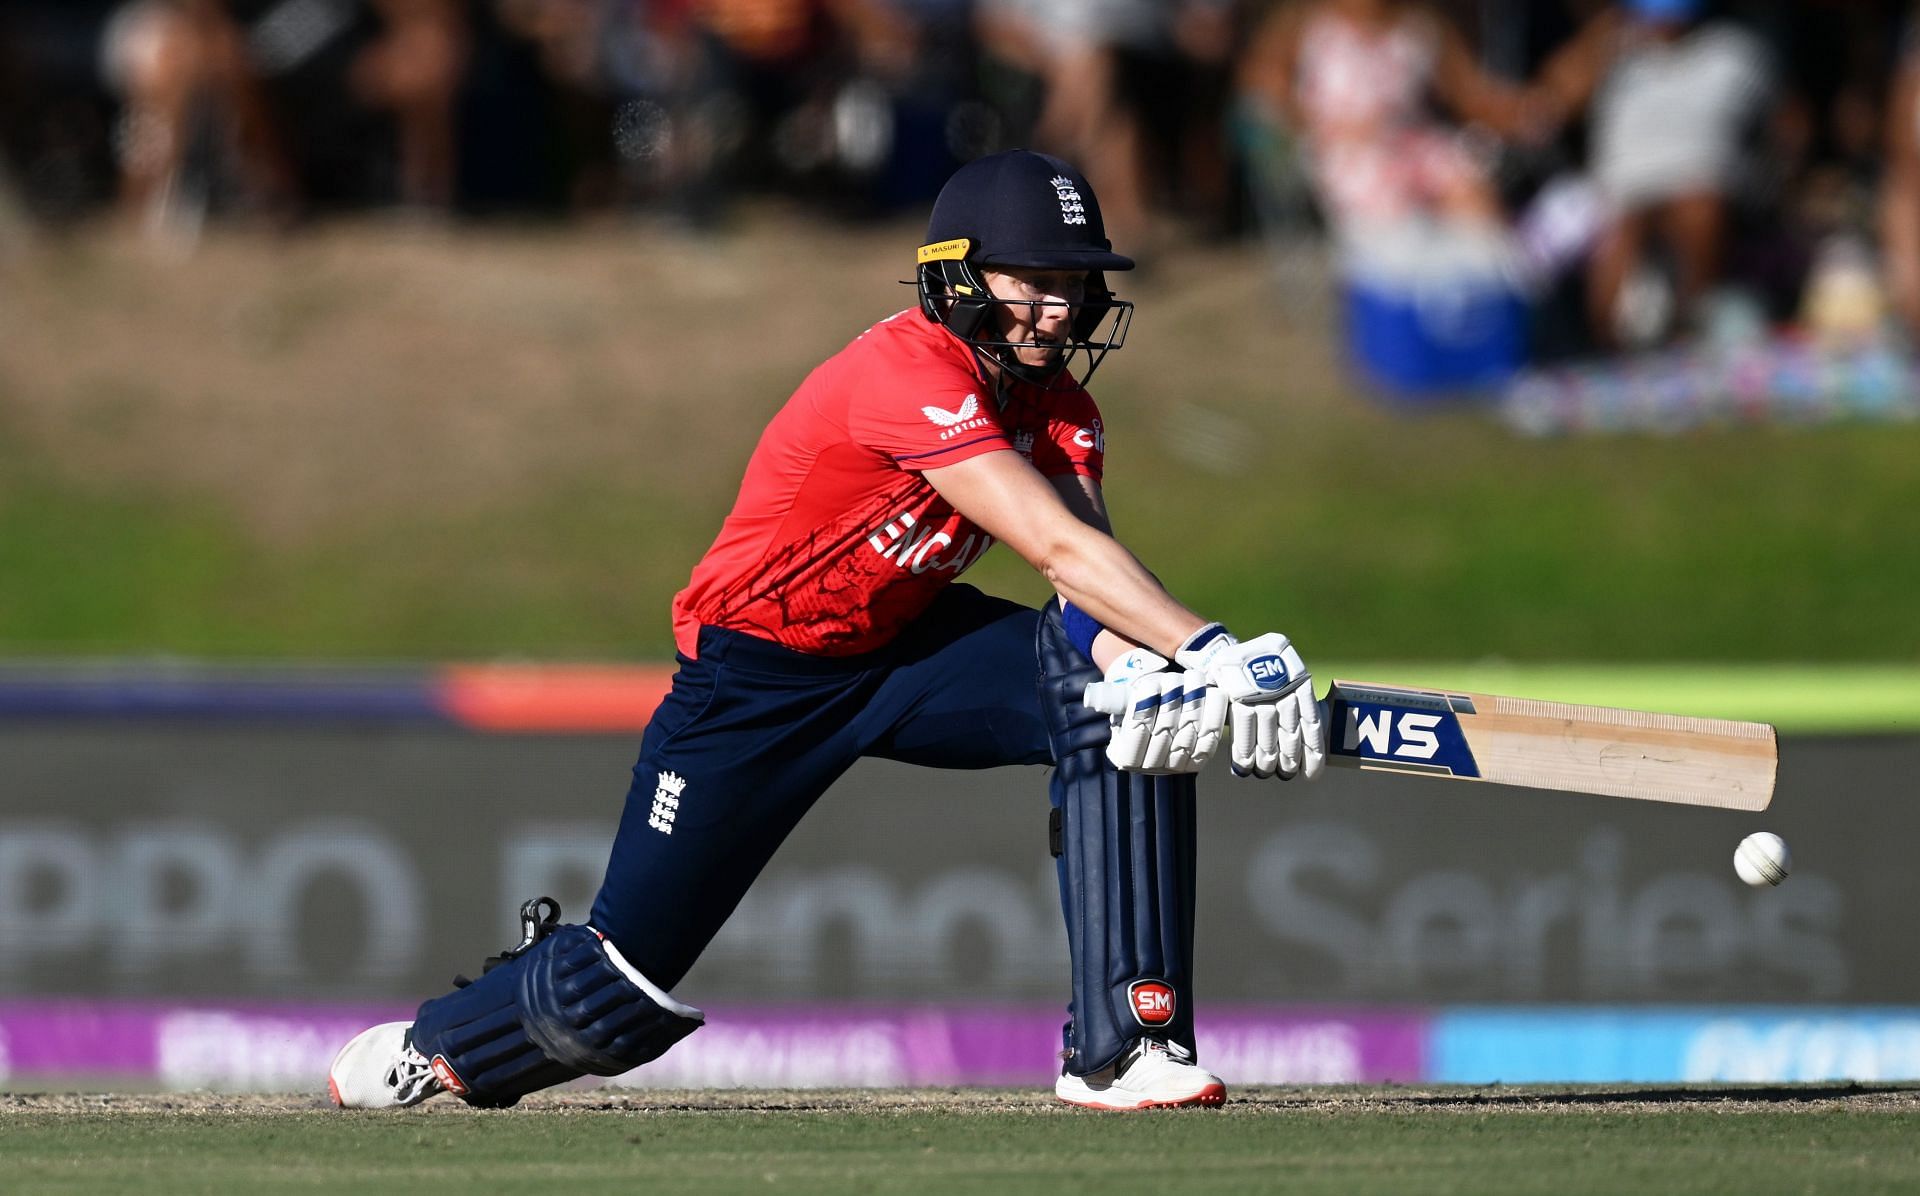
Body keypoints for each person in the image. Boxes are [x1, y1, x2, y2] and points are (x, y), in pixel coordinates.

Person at [325, 149, 1327, 1113]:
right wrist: (1213, 651)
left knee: (1120, 709)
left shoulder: (1064, 408)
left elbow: (1089, 596)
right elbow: (1054, 548)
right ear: (959, 275)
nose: (1060, 306)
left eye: (1075, 281)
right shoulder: (905, 370)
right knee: (614, 993)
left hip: (908, 646)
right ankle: (437, 1043)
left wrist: (1163, 670)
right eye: (1035, 279)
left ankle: (1124, 1046)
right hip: (756, 675)